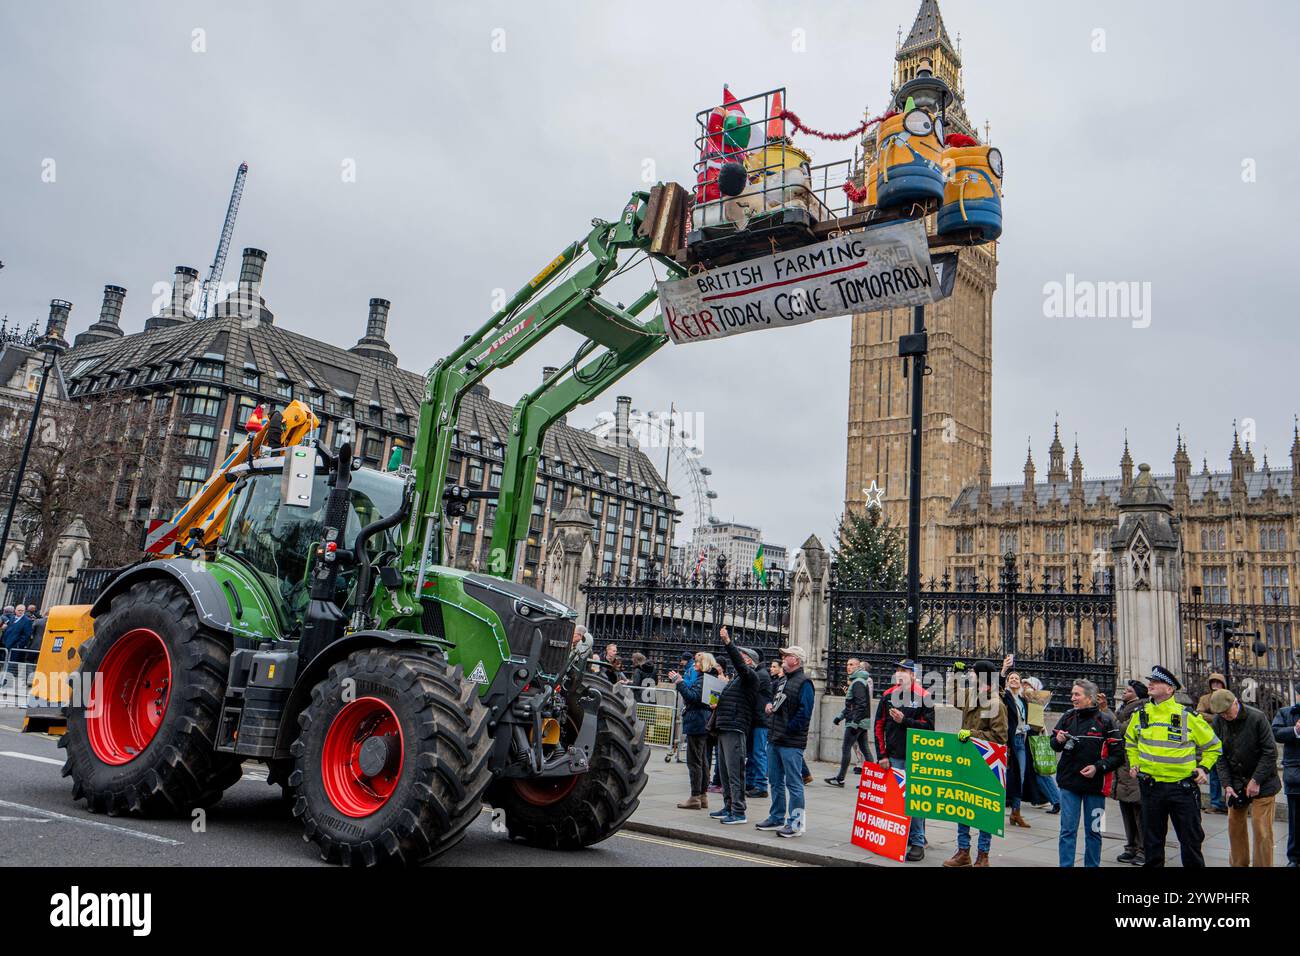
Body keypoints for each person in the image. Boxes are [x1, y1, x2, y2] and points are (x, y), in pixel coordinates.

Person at [1125, 665, 1222, 868]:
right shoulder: (1141, 714)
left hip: (1182, 789)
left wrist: (1204, 768)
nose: (1150, 684)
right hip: (1151, 788)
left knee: (1191, 843)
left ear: (1170, 689)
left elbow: (1214, 746)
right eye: (1150, 681)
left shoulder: (1187, 716)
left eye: (1156, 682)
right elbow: (1130, 742)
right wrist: (1134, 763)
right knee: (1152, 845)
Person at [1051, 679, 1125, 868]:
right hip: (1069, 785)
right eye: (1072, 694)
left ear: (1090, 698)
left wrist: (1097, 768)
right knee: (1067, 831)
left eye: (1077, 694)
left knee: (1095, 832)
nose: (1072, 698)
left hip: (1096, 788)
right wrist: (1057, 740)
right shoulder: (1067, 717)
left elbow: (1118, 756)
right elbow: (1054, 745)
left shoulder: (1106, 721)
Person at [944, 660, 1008, 867]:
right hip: (967, 760)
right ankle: (963, 852)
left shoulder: (996, 704)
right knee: (963, 806)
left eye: (973, 674)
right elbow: (954, 698)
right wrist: (955, 675)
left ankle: (983, 855)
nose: (970, 676)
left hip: (986, 764)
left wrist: (971, 734)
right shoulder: (972, 696)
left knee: (983, 810)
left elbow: (1000, 738)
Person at [1209, 688, 1280, 868]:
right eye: (1221, 714)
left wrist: (1256, 780)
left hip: (1263, 781)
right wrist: (1227, 785)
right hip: (1235, 783)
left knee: (1262, 831)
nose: (1225, 717)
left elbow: (1270, 752)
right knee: (1235, 829)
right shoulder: (1218, 721)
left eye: (1227, 712)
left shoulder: (1257, 717)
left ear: (1235, 703)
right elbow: (1219, 755)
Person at [874, 659, 934, 861]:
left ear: (913, 674)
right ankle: (897, 836)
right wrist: (882, 755)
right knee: (894, 800)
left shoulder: (924, 696)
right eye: (898, 670)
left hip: (916, 758)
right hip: (893, 756)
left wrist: (904, 721)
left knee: (915, 801)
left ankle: (917, 841)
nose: (900, 673)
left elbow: (929, 729)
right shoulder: (888, 695)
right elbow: (879, 726)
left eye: (904, 670)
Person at [754, 645, 815, 838]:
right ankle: (776, 817)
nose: (783, 658)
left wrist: (787, 729)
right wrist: (770, 708)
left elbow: (804, 713)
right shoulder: (782, 680)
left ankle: (795, 823)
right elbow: (776, 702)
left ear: (796, 660)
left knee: (794, 784)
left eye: (787, 655)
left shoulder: (805, 682)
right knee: (775, 781)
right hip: (774, 739)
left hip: (790, 742)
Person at [709, 627, 759, 825]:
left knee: (735, 771)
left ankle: (739, 811)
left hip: (735, 727)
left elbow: (738, 664)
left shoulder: (750, 677)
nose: (740, 657)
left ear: (748, 661)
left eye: (742, 655)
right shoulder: (737, 680)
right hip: (725, 726)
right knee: (724, 771)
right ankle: (728, 805)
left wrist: (729, 643)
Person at [670, 651, 719, 810]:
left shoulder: (702, 679)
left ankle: (695, 796)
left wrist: (679, 682)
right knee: (703, 761)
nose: (695, 665)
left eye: (698, 662)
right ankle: (703, 796)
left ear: (704, 664)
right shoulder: (710, 679)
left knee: (694, 761)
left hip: (697, 722)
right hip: (703, 721)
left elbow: (692, 697)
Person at [1112, 680, 1149, 864]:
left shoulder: (1141, 709)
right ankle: (1131, 846)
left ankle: (1144, 849)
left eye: (1128, 690)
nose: (1124, 692)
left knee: (1139, 809)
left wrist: (1114, 722)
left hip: (1134, 765)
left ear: (1137, 694)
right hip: (1122, 766)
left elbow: (1121, 730)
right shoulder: (1123, 709)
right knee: (1126, 808)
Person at [826, 658, 874, 787]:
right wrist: (840, 717)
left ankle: (840, 778)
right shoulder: (858, 681)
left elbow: (861, 705)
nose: (848, 667)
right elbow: (852, 705)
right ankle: (872, 780)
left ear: (858, 667)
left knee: (846, 748)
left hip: (856, 722)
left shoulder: (857, 682)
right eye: (847, 664)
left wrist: (854, 722)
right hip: (860, 721)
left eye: (851, 665)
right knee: (865, 750)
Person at [1022, 675, 1061, 814]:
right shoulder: (1027, 702)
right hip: (1029, 741)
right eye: (1024, 685)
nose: (1025, 688)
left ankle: (1057, 801)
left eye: (1028, 685)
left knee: (1041, 772)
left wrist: (1023, 728)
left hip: (1033, 742)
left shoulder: (1035, 703)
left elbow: (1036, 726)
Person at [1000, 657, 1031, 828]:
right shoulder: (1005, 697)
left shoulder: (1023, 700)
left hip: (1022, 740)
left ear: (1020, 683)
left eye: (1016, 678)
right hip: (1009, 741)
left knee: (1021, 776)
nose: (1013, 680)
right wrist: (1004, 669)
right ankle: (997, 809)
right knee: (1005, 777)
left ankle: (1016, 813)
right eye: (1011, 678)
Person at [1271, 692, 1300, 867]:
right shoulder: (1285, 712)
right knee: (1295, 821)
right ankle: (1294, 858)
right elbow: (1276, 732)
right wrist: (1295, 730)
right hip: (1295, 774)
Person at [1195, 673, 1230, 813]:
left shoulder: (1229, 696)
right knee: (1214, 774)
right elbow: (1199, 713)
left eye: (1218, 682)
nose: (1215, 685)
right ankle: (1215, 803)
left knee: (1229, 773)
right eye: (1213, 683)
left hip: (1227, 739)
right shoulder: (1205, 698)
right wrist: (1215, 717)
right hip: (1211, 738)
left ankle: (1230, 803)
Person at [745, 648, 771, 799]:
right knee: (751, 754)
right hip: (754, 719)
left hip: (760, 720)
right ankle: (750, 782)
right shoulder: (758, 673)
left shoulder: (761, 675)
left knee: (758, 753)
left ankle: (761, 785)